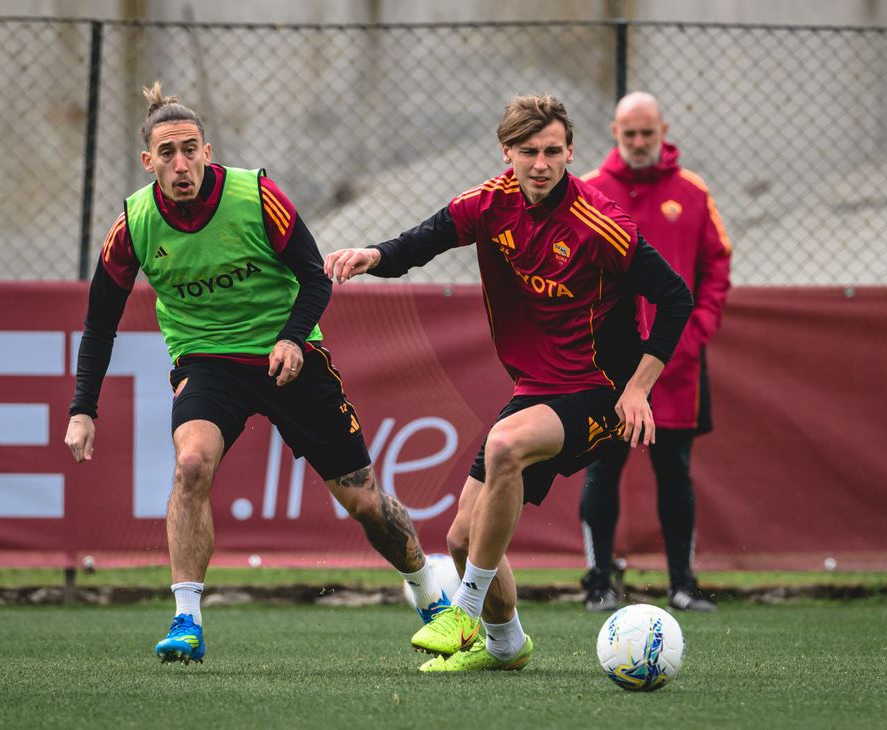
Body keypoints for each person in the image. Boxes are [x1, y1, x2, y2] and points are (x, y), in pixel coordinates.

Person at [64, 82, 449, 665]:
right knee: (191, 464)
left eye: (190, 149)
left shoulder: (256, 195)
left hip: (287, 355)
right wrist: (82, 409)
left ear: (208, 151)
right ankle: (186, 620)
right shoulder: (134, 225)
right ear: (148, 163)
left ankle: (429, 596)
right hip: (208, 362)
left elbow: (316, 278)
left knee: (365, 502)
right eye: (166, 153)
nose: (181, 163)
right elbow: (99, 324)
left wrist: (293, 339)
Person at [324, 94, 693, 672]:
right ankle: (505, 647)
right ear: (508, 154)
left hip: (600, 390)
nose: (541, 163)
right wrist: (373, 254)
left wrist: (640, 388)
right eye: (528, 151)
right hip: (537, 388)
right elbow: (423, 241)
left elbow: (676, 297)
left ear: (570, 152)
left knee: (504, 446)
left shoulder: (601, 225)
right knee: (462, 542)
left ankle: (464, 613)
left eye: (552, 151)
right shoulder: (490, 204)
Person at [578, 91, 732, 614]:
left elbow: (717, 266)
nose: (640, 142)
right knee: (601, 467)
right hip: (610, 366)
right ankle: (598, 582)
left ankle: (683, 585)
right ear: (614, 133)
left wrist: (697, 330)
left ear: (663, 130)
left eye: (648, 133)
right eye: (630, 134)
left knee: (676, 472)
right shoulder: (589, 191)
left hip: (679, 363)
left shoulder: (692, 192)